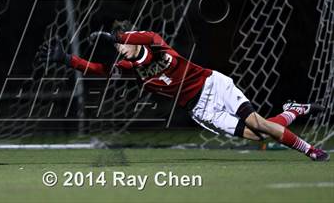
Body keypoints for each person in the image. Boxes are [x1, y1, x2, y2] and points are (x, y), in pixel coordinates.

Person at [38, 20, 329, 161]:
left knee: (260, 123)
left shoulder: (153, 43)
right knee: (260, 134)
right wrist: (68, 60)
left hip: (214, 84)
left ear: (131, 39)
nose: (119, 49)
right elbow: (101, 71)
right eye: (116, 46)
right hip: (200, 109)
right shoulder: (129, 69)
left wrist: (117, 35)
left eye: (121, 43)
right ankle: (294, 111)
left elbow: (146, 36)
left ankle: (311, 151)